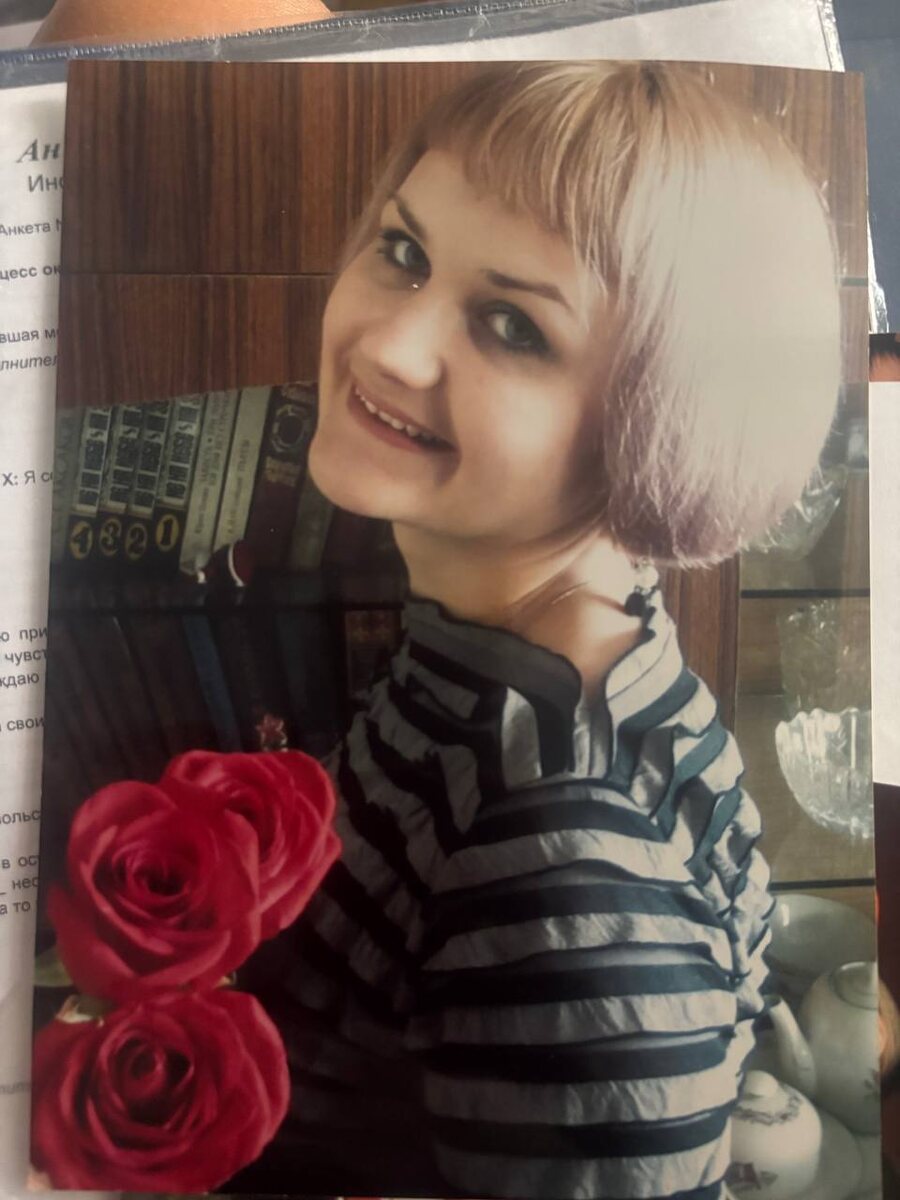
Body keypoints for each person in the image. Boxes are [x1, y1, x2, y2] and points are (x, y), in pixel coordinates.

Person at [241, 61, 842, 1200]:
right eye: (404, 250)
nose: (391, 345)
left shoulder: (561, 849)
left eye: (513, 324)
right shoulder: (555, 635)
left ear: (660, 420)